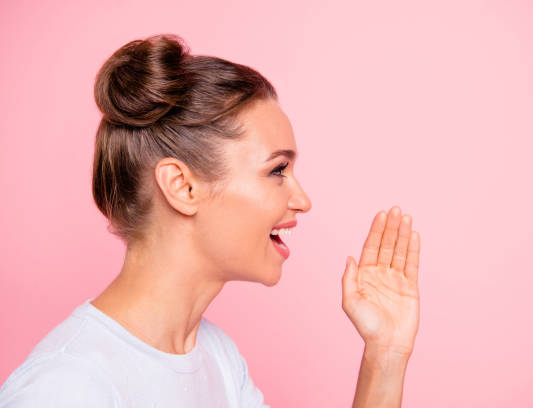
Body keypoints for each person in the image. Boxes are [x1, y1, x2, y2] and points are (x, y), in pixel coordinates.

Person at [0, 33, 421, 408]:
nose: (303, 200)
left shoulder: (216, 358)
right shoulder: (66, 388)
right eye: (277, 170)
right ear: (182, 187)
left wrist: (385, 356)